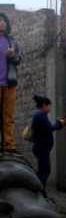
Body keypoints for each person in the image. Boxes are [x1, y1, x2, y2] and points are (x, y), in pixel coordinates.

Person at [31, 96, 63, 190]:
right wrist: (59, 124)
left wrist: (58, 124)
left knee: (43, 170)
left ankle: (39, 191)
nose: (49, 108)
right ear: (44, 105)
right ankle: (39, 191)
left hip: (41, 147)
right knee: (45, 171)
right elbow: (50, 128)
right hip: (42, 147)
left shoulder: (39, 115)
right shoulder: (40, 115)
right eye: (49, 106)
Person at [0, 13, 21, 154]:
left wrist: (13, 56)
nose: (2, 23)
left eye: (3, 21)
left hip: (9, 83)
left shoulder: (12, 41)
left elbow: (19, 60)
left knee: (8, 116)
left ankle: (9, 144)